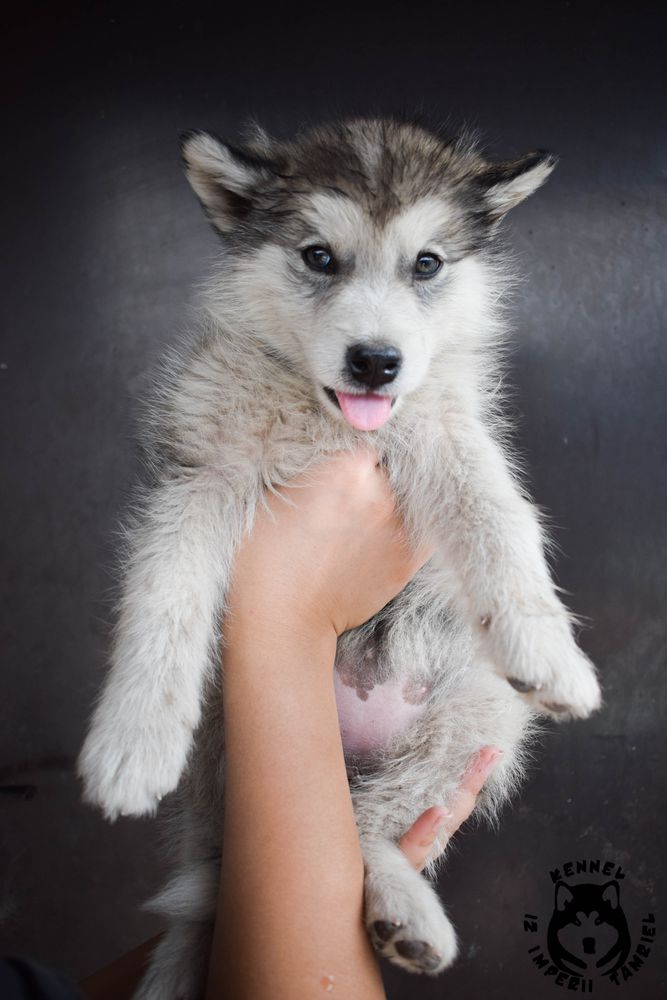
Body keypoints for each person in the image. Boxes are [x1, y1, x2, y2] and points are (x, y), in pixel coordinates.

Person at [5, 451, 502, 1000]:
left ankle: (369, 855)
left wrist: (306, 880)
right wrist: (285, 613)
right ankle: (369, 858)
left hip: (419, 686)